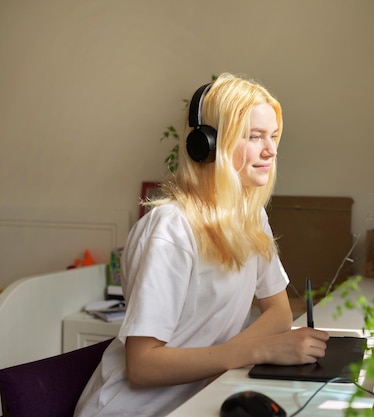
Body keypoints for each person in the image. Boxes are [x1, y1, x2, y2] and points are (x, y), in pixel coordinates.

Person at [74, 73, 329, 416]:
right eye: (254, 136)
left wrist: (235, 356)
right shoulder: (171, 229)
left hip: (206, 396)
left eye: (274, 136)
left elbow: (280, 312)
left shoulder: (251, 217)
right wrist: (258, 351)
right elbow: (143, 364)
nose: (271, 150)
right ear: (208, 144)